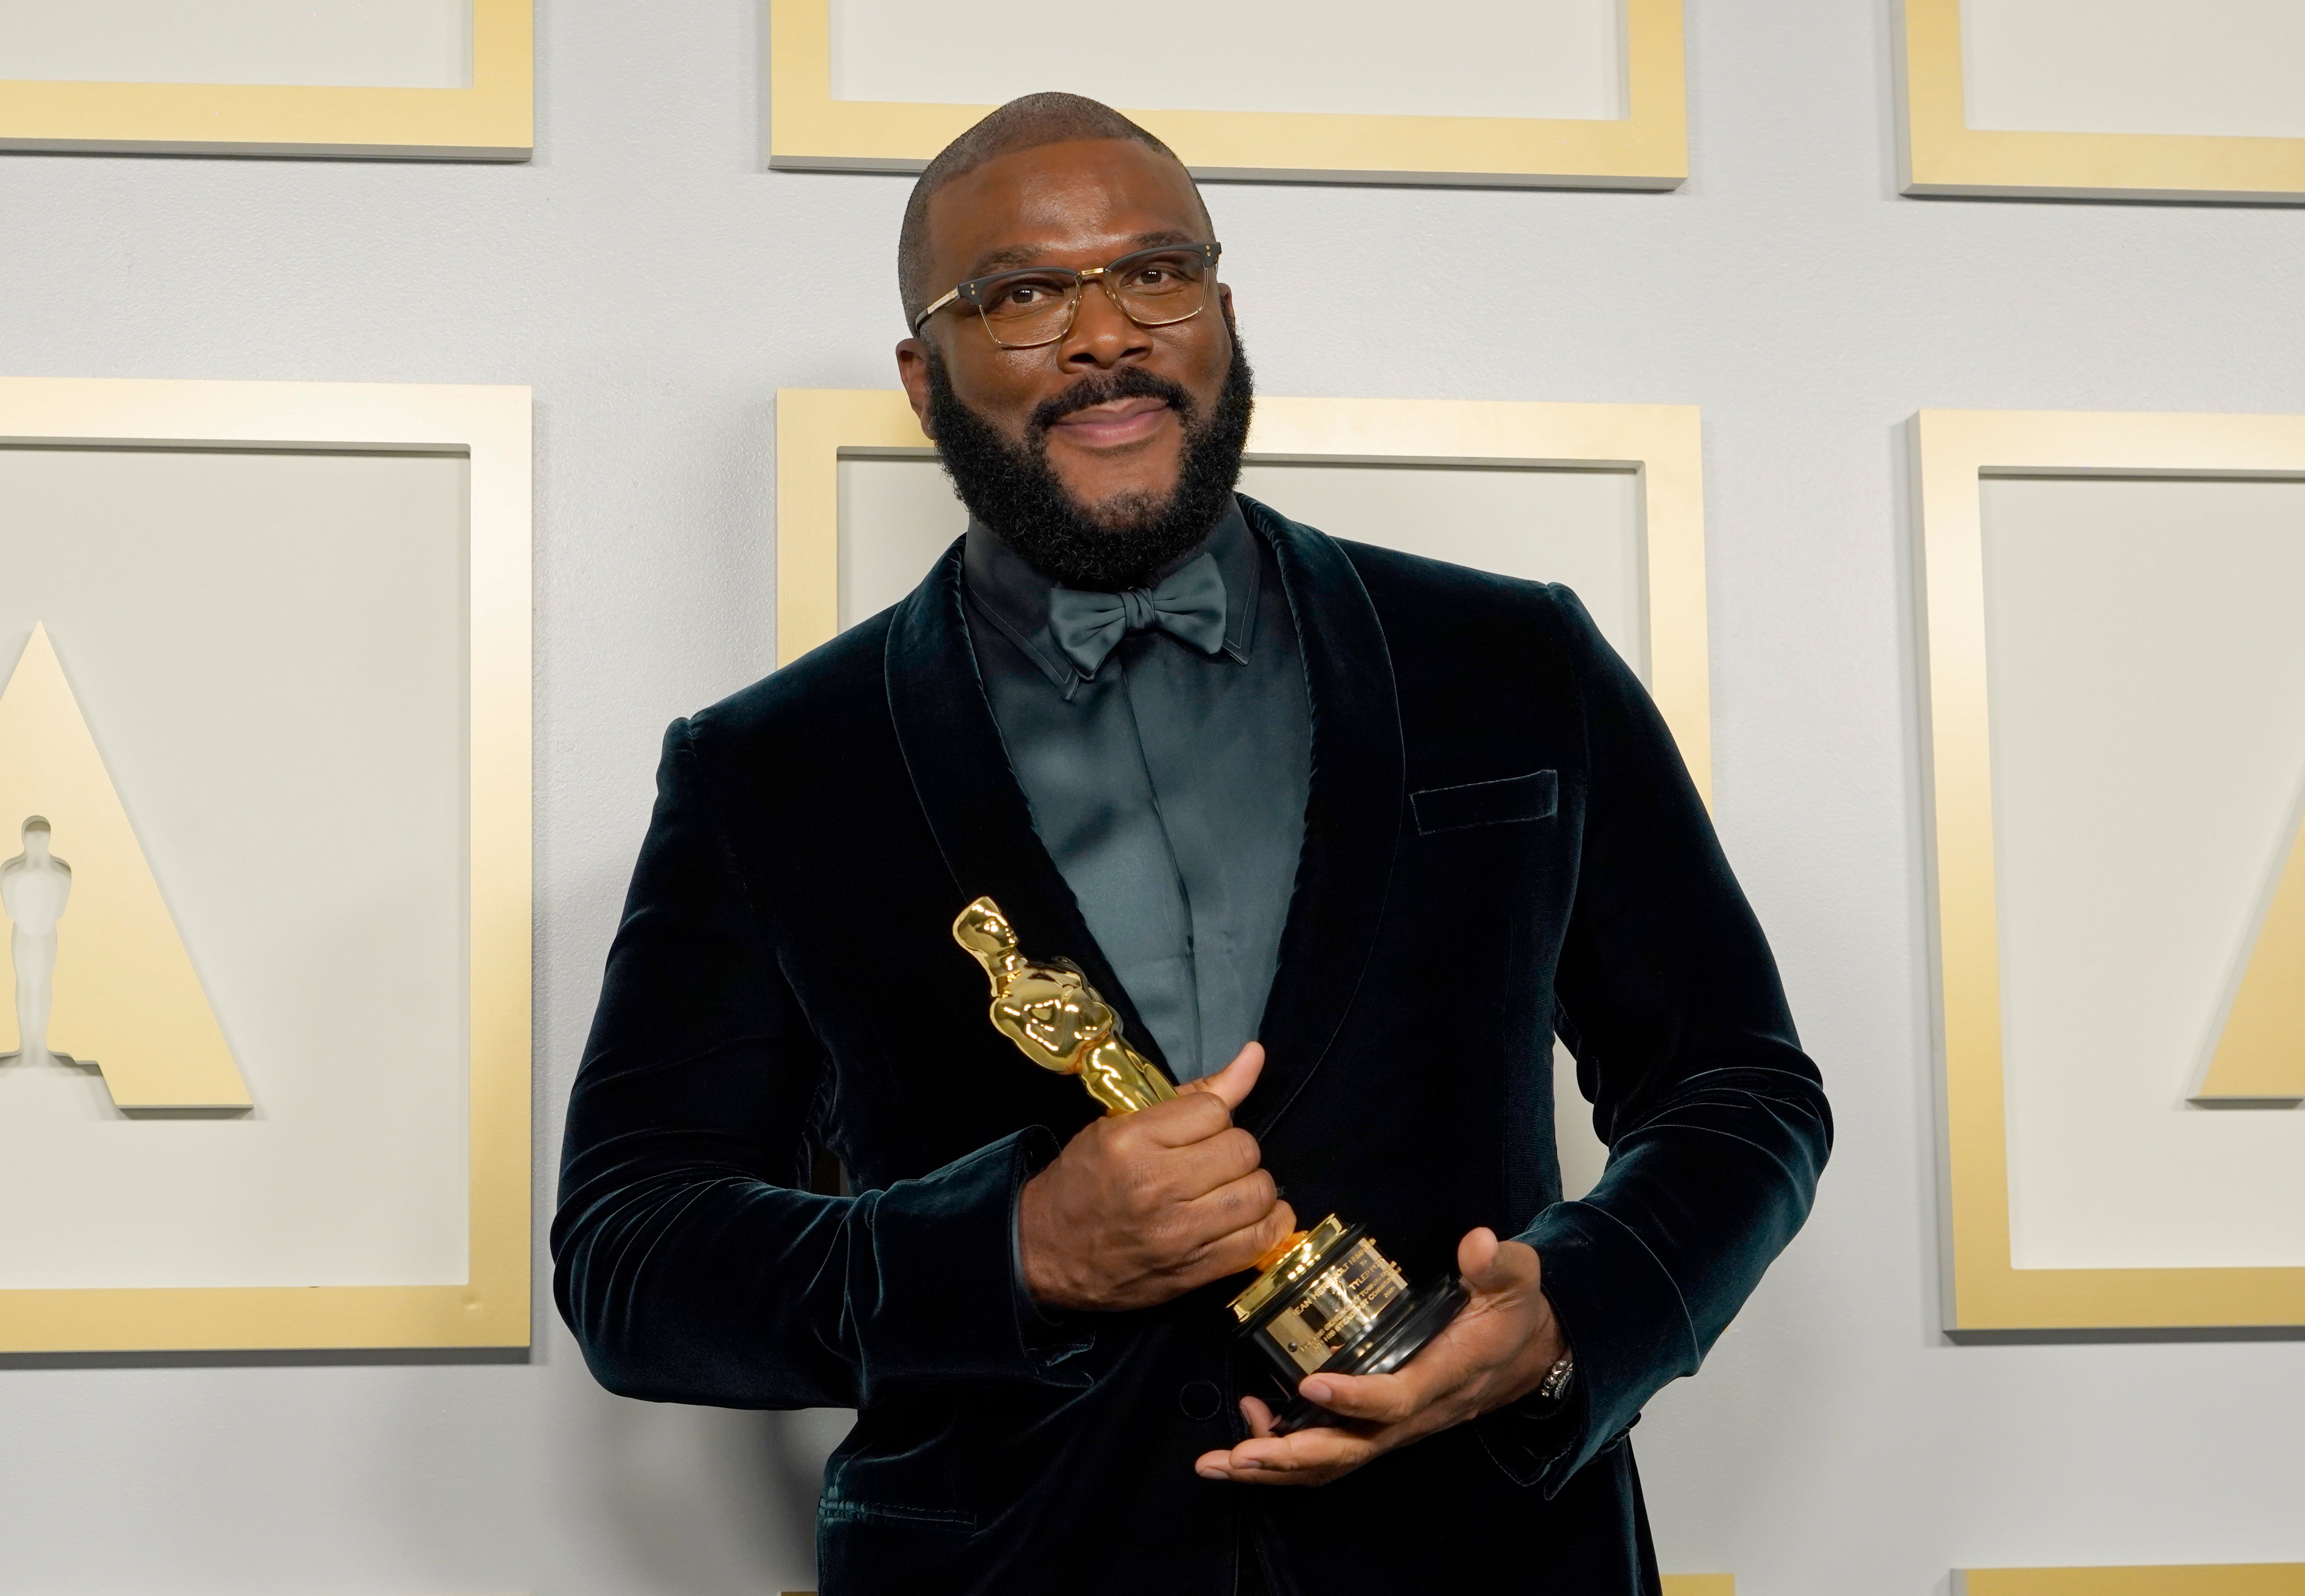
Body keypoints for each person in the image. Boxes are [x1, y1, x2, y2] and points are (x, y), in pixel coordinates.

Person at [554, 92, 1831, 1596]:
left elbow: (1738, 1087)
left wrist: (1574, 1313)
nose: (1106, 333)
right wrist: (1019, 1246)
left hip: (1487, 1554)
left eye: (1155, 272)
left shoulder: (1513, 662)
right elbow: (633, 1258)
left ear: (1221, 311)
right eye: (1021, 294)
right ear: (921, 375)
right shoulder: (769, 770)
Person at [3, 815, 72, 1068]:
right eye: (34, 837)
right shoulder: (11, 873)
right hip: (26, 936)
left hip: (43, 937)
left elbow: (12, 910)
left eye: (41, 837)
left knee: (40, 986)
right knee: (28, 986)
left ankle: (38, 1049)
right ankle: (29, 1050)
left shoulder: (61, 873)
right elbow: (11, 910)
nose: (37, 842)